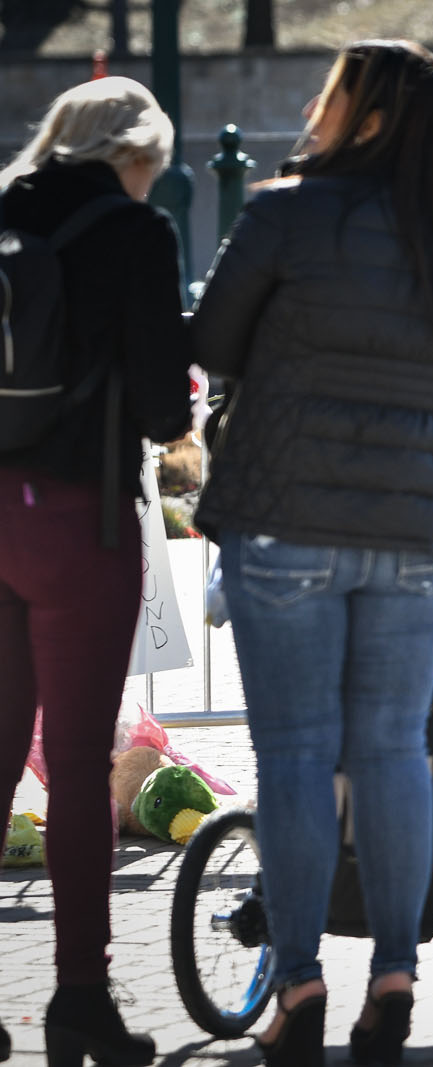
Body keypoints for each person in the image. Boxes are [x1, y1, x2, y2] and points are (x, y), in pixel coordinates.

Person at [190, 40, 433, 1067]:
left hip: (285, 525)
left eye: (332, 97)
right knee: (390, 752)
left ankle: (297, 981)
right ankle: (396, 977)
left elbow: (216, 343)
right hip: (414, 538)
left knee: (292, 754)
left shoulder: (284, 213)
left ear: (364, 117)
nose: (316, 112)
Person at [0, 76, 190, 1067]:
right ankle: (80, 998)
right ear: (134, 152)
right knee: (76, 767)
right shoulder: (132, 233)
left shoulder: (4, 204)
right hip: (79, 519)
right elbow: (163, 408)